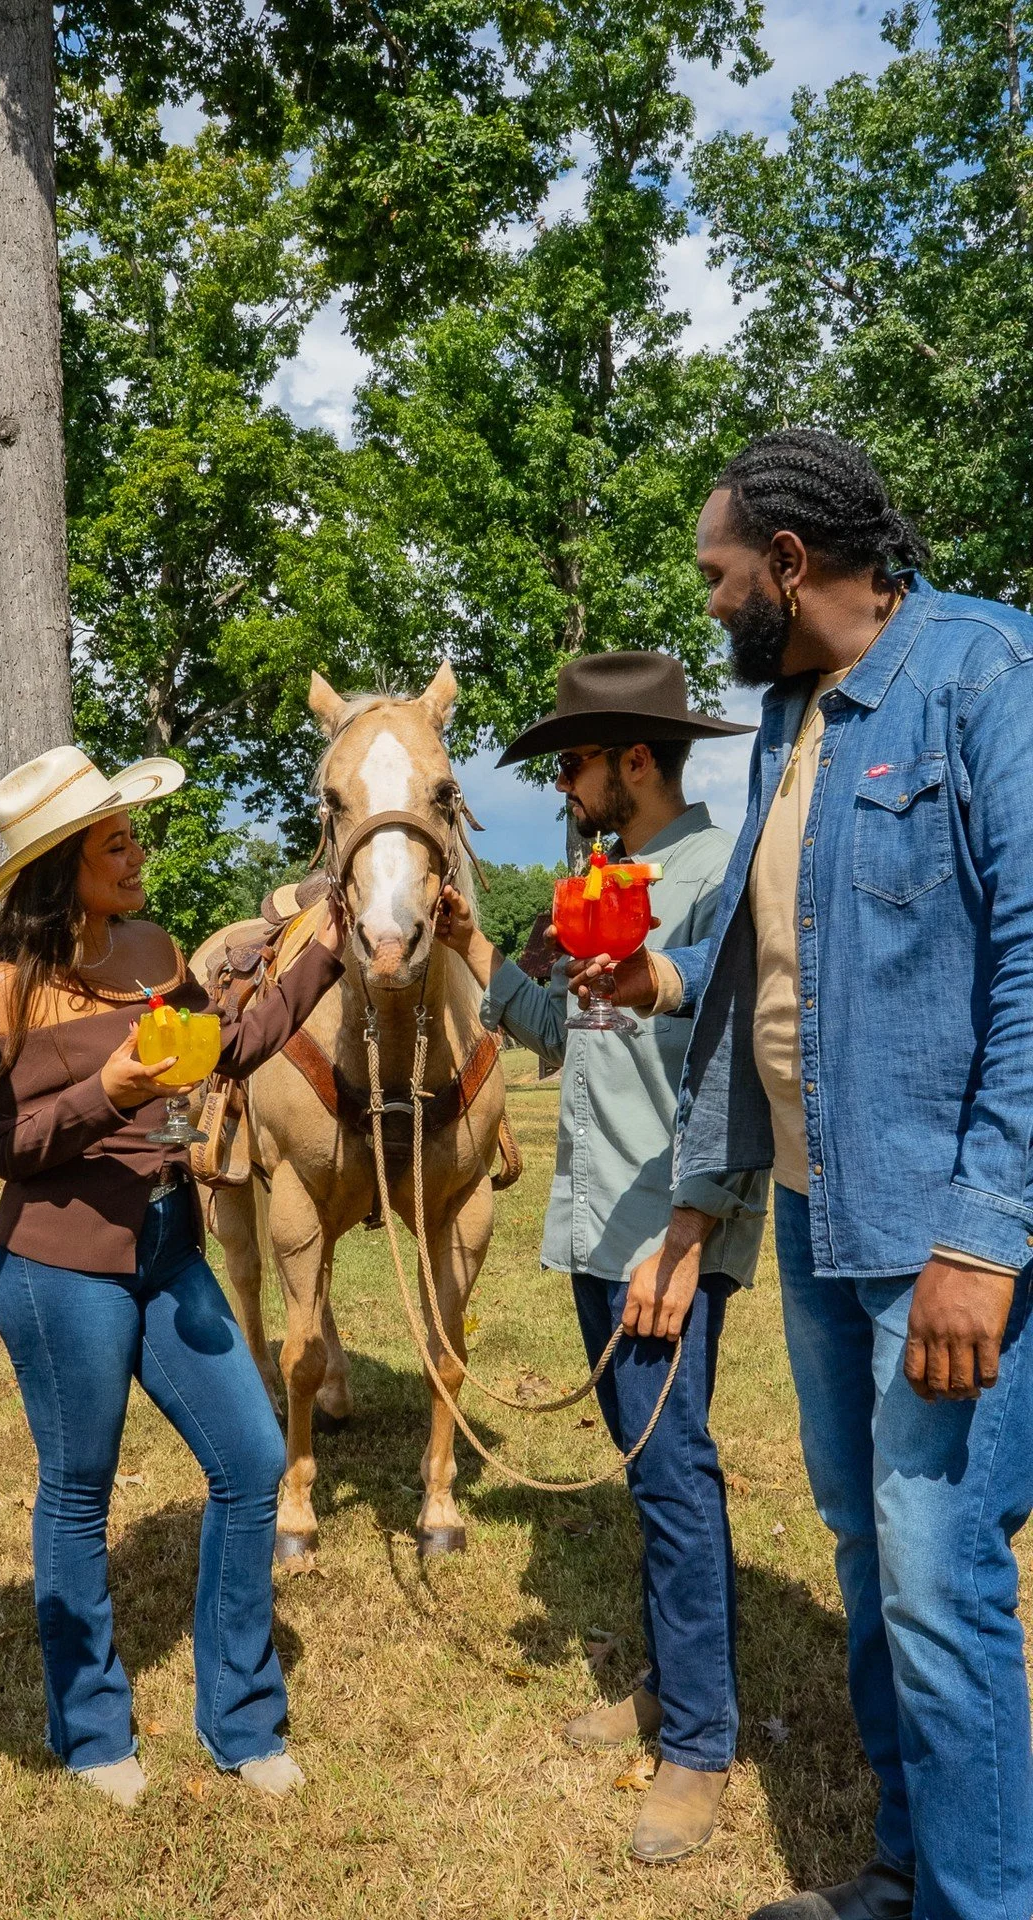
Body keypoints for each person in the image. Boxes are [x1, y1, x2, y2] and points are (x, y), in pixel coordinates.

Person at [579, 430, 1033, 1920]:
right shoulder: (791, 723)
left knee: (940, 1580)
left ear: (788, 564)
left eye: (717, 577)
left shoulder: (985, 677)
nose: (707, 607)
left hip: (935, 1236)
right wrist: (692, 1179)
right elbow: (749, 975)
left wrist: (983, 1235)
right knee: (868, 1555)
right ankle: (909, 1871)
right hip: (817, 1212)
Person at [0, 744, 345, 1808]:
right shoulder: (3, 987)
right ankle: (90, 1732)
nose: (136, 856)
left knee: (254, 1460)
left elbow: (225, 1046)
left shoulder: (153, 949)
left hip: (169, 1250)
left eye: (132, 838)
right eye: (114, 844)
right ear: (60, 868)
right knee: (79, 1497)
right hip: (58, 1272)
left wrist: (330, 951)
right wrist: (113, 1090)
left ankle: (241, 1719)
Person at [436, 651, 765, 1865]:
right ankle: (667, 1689)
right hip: (595, 1224)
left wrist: (694, 1228)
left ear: (634, 760)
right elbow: (567, 1038)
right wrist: (476, 950)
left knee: (675, 1476)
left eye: (572, 763)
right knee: (646, 1469)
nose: (564, 786)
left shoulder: (719, 879)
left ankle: (700, 1744)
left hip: (667, 1232)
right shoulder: (598, 884)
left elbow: (741, 1062)